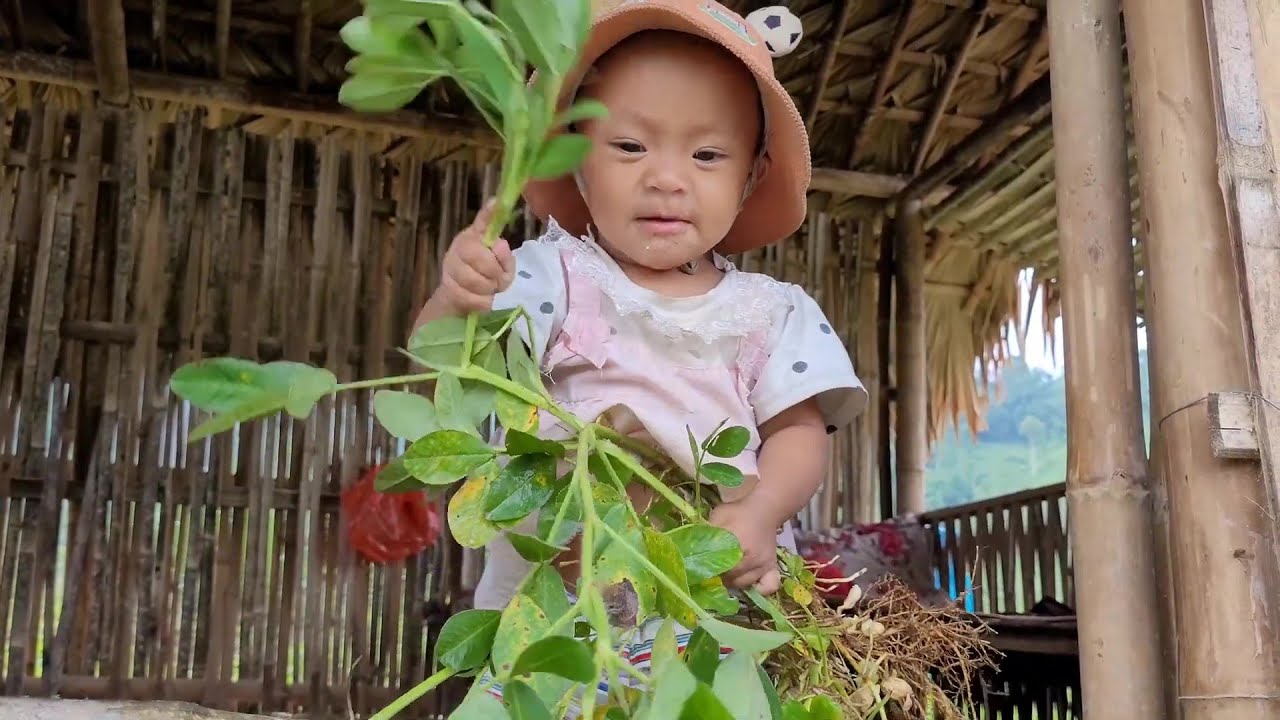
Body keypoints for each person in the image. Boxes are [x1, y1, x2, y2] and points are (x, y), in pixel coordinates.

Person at [410, 0, 867, 709]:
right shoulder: (550, 276)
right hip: (554, 612)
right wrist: (458, 299)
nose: (667, 178)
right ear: (576, 159)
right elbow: (441, 367)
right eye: (629, 147)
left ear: (750, 175)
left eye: (707, 155)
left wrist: (761, 512)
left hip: (706, 605)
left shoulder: (770, 312)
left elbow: (798, 433)